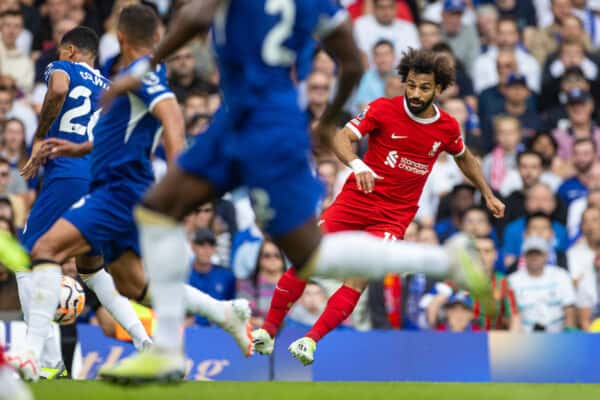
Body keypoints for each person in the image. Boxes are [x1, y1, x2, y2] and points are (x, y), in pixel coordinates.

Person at [97, 2, 500, 383]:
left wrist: (143, 65)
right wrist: (331, 125)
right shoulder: (322, 11)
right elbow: (354, 61)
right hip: (245, 120)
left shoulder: (445, 126)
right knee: (158, 209)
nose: (414, 93)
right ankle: (174, 346)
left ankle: (439, 261)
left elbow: (197, 13)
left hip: (266, 123)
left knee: (308, 256)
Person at [2, 5, 253, 383]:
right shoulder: (113, 80)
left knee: (41, 251)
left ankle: (37, 357)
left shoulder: (134, 72)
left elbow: (170, 115)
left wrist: (181, 182)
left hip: (115, 190)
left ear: (119, 38)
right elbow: (113, 134)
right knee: (128, 282)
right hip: (108, 182)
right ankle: (216, 315)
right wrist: (77, 149)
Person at [253, 49, 503, 366]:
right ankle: (268, 330)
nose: (414, 93)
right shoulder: (383, 109)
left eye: (424, 87)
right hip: (354, 201)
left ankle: (310, 341)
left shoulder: (447, 128)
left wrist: (487, 192)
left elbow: (464, 156)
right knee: (307, 259)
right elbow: (343, 137)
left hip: (392, 217)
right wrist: (358, 165)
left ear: (438, 90)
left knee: (358, 277)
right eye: (410, 85)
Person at [508, 236, 577, 332]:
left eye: (538, 253)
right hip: (525, 338)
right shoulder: (512, 281)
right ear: (524, 256)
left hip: (558, 336)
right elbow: (511, 315)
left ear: (546, 255)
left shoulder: (561, 275)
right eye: (530, 253)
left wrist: (570, 332)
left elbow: (569, 308)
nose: (534, 257)